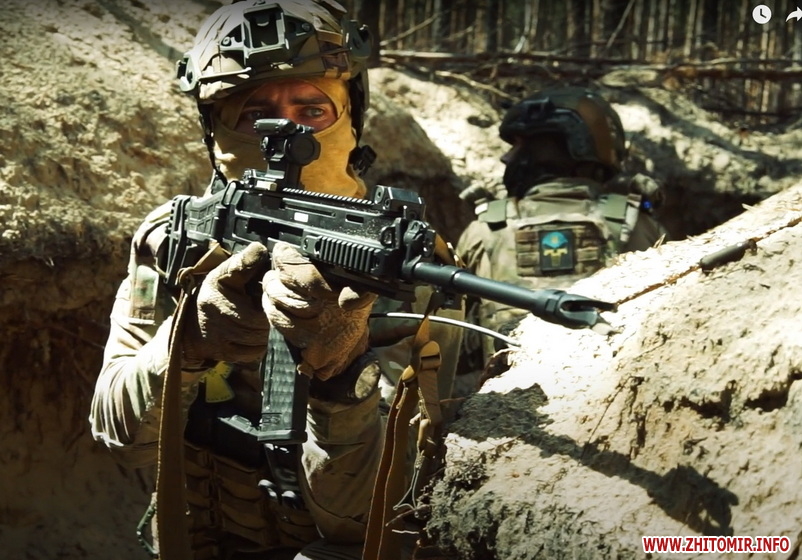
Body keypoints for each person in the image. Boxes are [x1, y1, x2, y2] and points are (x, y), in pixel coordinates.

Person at [89, 2, 462, 559]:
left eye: (312, 110)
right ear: (215, 128)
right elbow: (119, 436)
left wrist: (342, 376)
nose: (287, 132)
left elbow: (389, 508)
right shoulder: (174, 238)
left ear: (351, 116)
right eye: (255, 114)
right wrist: (184, 345)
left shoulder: (409, 264)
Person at [457, 86, 669, 370]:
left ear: (554, 148)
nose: (506, 158)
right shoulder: (640, 225)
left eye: (518, 145)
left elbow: (450, 339)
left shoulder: (484, 229)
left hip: (513, 394)